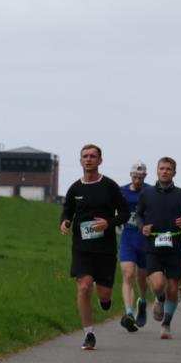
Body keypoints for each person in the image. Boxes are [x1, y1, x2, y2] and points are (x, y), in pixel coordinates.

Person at [60, 144, 130, 350]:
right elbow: (67, 211)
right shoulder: (75, 188)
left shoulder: (110, 186)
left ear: (100, 161)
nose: (88, 159)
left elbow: (124, 214)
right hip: (82, 248)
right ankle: (88, 333)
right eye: (85, 156)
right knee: (84, 286)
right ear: (80, 161)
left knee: (104, 295)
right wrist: (65, 221)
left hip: (105, 249)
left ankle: (105, 301)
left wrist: (108, 223)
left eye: (93, 156)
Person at [136, 158, 181, 339]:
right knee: (158, 284)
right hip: (153, 245)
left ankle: (166, 323)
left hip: (175, 246)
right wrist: (142, 227)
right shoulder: (147, 193)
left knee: (172, 288)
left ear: (174, 173)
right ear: (157, 171)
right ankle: (159, 299)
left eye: (168, 169)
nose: (165, 171)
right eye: (162, 168)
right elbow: (138, 214)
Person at [117, 161, 152, 331]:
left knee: (142, 278)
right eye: (135, 177)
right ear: (130, 176)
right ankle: (129, 313)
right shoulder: (121, 191)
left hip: (145, 239)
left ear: (145, 177)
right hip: (128, 238)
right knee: (128, 274)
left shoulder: (150, 191)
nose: (137, 180)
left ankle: (143, 302)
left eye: (140, 177)